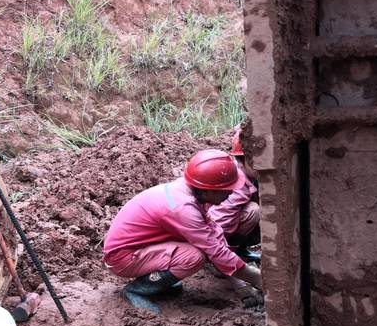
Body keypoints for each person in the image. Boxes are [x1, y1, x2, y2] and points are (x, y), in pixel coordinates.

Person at [102, 149, 262, 314]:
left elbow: (215, 234)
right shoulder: (183, 209)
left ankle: (160, 280)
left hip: (141, 246)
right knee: (194, 257)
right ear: (207, 190)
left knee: (200, 248)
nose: (230, 194)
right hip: (122, 258)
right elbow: (213, 249)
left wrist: (241, 282)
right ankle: (137, 290)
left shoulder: (189, 191)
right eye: (226, 190)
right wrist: (257, 279)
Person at [207, 127, 260, 261]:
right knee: (254, 211)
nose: (262, 166)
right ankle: (223, 257)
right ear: (242, 159)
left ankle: (240, 250)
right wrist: (222, 257)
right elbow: (219, 223)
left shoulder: (252, 176)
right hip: (215, 235)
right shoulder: (237, 185)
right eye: (256, 162)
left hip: (228, 224)